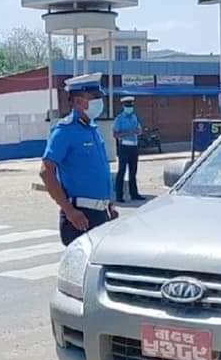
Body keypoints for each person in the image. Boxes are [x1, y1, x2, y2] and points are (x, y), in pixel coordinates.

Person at [39, 73, 118, 246]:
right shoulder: (64, 131)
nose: (99, 101)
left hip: (101, 213)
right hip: (80, 215)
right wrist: (70, 211)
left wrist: (109, 205)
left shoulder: (92, 129)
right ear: (77, 101)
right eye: (93, 97)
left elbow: (98, 171)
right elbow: (46, 172)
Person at [112, 96, 144, 202]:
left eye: (131, 106)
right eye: (127, 106)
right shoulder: (119, 119)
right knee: (121, 171)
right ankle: (119, 196)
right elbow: (115, 134)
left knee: (133, 172)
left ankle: (134, 194)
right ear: (123, 106)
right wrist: (129, 133)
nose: (129, 108)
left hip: (134, 147)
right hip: (124, 147)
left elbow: (139, 130)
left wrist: (138, 131)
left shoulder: (134, 117)